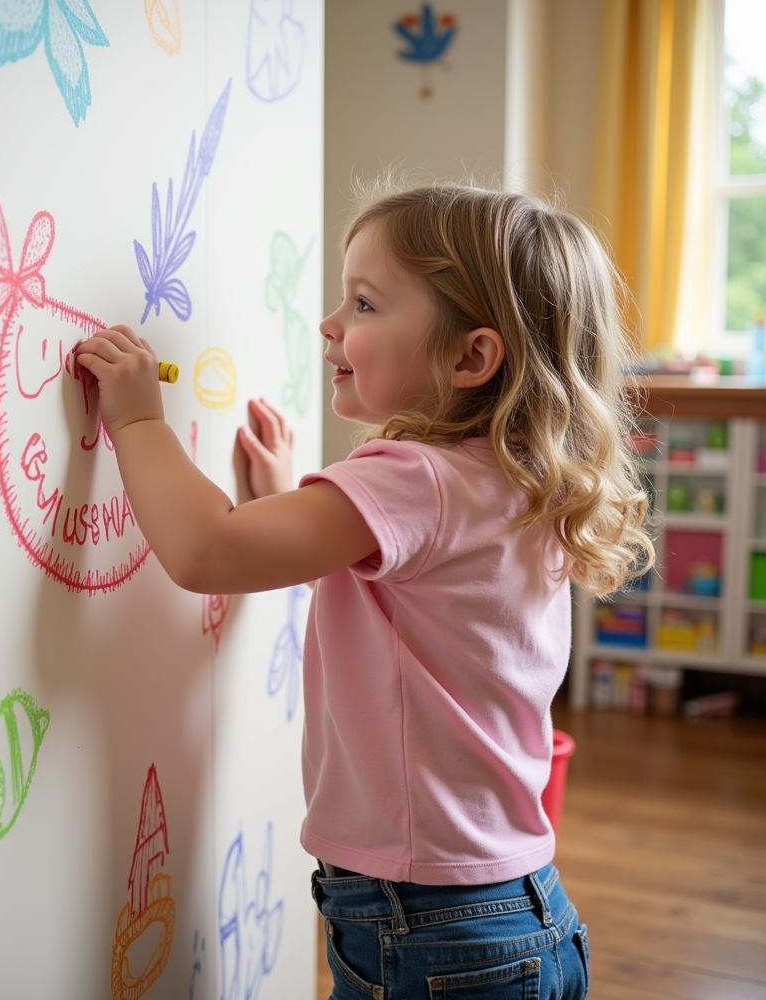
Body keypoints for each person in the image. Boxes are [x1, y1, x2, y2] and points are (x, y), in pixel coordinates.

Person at [73, 182, 653, 998]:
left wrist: (138, 421)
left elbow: (205, 551)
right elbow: (399, 608)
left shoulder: (418, 477)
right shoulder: (514, 481)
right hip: (519, 914)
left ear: (470, 357)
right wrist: (280, 497)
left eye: (365, 302)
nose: (329, 324)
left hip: (432, 930)